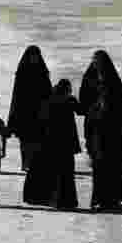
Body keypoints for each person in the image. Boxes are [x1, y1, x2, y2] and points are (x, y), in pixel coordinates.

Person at [79, 50, 122, 210]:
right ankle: (100, 199)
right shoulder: (90, 79)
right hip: (97, 132)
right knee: (99, 166)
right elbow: (84, 103)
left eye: (99, 62)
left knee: (113, 166)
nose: (97, 65)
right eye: (95, 61)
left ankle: (112, 199)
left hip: (113, 132)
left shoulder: (112, 83)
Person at [7, 45, 53, 180]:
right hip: (24, 111)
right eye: (32, 56)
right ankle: (25, 163)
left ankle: (35, 163)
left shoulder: (43, 72)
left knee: (38, 139)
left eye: (36, 55)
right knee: (25, 140)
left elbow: (48, 92)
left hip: (39, 111)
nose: (34, 58)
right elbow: (16, 95)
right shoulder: (22, 73)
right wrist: (14, 114)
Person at [38, 79, 82, 210]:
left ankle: (56, 201)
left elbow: (42, 118)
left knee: (56, 172)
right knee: (67, 173)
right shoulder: (70, 100)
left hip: (53, 141)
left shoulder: (50, 100)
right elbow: (81, 110)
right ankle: (68, 201)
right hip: (67, 142)